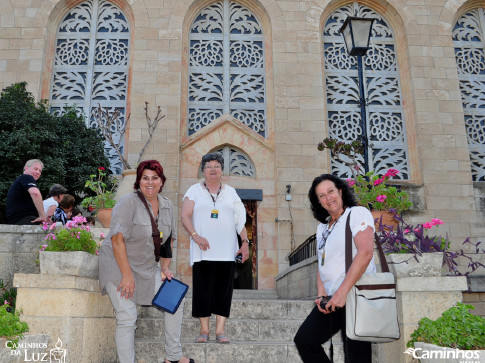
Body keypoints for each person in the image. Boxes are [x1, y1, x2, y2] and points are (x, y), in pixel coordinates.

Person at [98, 160, 194, 363]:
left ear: (161, 181)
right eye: (145, 178)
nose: (150, 182)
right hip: (117, 264)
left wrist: (165, 268)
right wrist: (126, 275)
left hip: (147, 268)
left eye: (155, 178)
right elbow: (117, 239)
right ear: (139, 181)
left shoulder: (167, 205)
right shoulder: (127, 202)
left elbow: (168, 240)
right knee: (127, 315)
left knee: (174, 298)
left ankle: (173, 356)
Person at [294, 174, 376, 363]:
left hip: (356, 294)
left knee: (356, 356)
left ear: (340, 191)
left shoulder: (357, 213)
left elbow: (365, 253)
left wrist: (342, 292)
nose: (328, 198)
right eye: (321, 195)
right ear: (318, 202)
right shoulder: (322, 227)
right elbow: (323, 263)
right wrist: (322, 294)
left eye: (330, 191)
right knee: (305, 340)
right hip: (332, 298)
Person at [181, 152, 250, 344]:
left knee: (223, 292)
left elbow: (240, 222)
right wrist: (196, 236)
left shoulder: (231, 192)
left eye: (216, 166)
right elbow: (185, 216)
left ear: (222, 170)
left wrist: (245, 244)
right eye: (209, 166)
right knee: (202, 291)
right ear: (203, 170)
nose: (213, 169)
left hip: (227, 252)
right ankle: (204, 330)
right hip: (203, 251)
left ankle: (220, 331)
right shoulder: (194, 190)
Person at [6, 159, 46, 225]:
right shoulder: (26, 177)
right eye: (35, 169)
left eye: (40, 171)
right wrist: (42, 216)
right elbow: (35, 193)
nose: (38, 172)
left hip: (18, 221)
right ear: (26, 168)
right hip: (24, 220)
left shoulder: (21, 180)